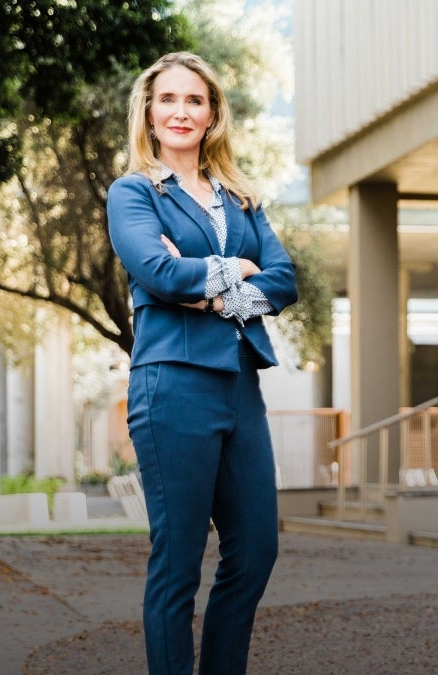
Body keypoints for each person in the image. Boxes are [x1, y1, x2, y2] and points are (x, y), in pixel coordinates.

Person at [106, 52, 298, 675]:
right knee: (179, 559)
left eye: (195, 100)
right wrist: (236, 273)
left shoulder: (241, 198)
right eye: (169, 100)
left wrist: (209, 287)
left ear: (212, 113)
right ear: (150, 112)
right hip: (173, 386)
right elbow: (157, 273)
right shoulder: (133, 191)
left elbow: (286, 280)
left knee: (256, 551)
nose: (181, 111)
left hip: (240, 386)